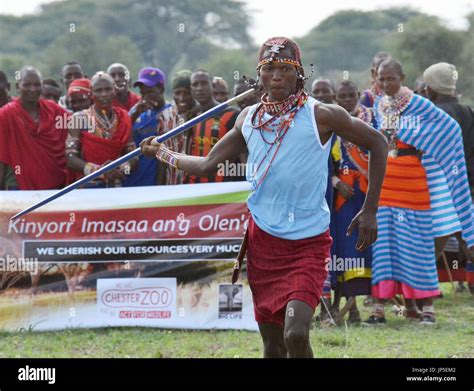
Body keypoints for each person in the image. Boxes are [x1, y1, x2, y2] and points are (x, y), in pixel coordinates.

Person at [140, 37, 388, 358]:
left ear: (299, 74)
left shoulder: (322, 116)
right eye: (269, 69)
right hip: (264, 243)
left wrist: (371, 210)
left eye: (285, 69)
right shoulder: (248, 119)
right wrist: (163, 153)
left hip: (307, 244)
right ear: (260, 75)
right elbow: (205, 165)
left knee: (296, 334)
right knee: (272, 345)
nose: (277, 76)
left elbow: (378, 144)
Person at [367, 58, 474, 325]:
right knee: (384, 244)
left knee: (418, 244)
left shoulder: (420, 104)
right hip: (386, 182)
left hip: (414, 182)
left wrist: (427, 147)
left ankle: (427, 309)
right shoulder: (379, 107)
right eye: (381, 79)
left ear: (402, 77)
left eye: (390, 78)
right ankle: (380, 309)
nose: (385, 83)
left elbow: (449, 130)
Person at [424, 62, 474, 294]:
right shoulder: (468, 111)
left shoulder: (433, 115)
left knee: (433, 242)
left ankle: (424, 291)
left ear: (432, 88)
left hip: (440, 189)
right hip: (467, 184)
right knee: (468, 239)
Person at [330, 80, 375, 324]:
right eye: (342, 96)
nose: (346, 100)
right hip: (343, 198)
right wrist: (337, 183)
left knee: (366, 246)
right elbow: (325, 165)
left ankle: (364, 306)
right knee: (344, 247)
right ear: (336, 99)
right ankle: (345, 305)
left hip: (367, 194)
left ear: (358, 95)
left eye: (350, 95)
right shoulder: (331, 124)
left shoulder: (373, 120)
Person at [0, 66, 69, 190]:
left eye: (37, 85)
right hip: (18, 182)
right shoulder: (6, 114)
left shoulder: (54, 110)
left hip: (54, 183)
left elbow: (76, 122)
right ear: (17, 87)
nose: (32, 89)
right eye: (27, 85)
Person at [65, 72, 136, 187]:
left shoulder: (124, 118)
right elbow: (70, 159)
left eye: (108, 89)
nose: (104, 94)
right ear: (91, 94)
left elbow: (133, 156)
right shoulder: (78, 119)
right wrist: (100, 171)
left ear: (114, 91)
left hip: (118, 185)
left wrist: (121, 169)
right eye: (98, 90)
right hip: (88, 186)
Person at [123, 67, 182, 186]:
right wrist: (135, 115)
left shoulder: (173, 113)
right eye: (142, 92)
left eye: (150, 92)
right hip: (132, 179)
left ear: (161, 89)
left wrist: (159, 185)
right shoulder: (137, 110)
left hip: (157, 181)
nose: (145, 96)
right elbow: (122, 136)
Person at [185, 70, 239, 184]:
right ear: (191, 89)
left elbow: (242, 153)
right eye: (195, 84)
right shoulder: (191, 116)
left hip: (221, 186)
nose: (199, 88)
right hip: (192, 185)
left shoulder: (232, 114)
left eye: (204, 83)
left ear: (212, 86)